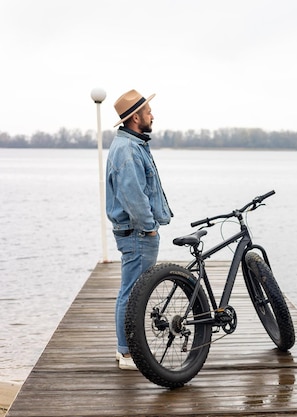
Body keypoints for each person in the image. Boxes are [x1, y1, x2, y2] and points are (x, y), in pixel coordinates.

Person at [106, 89, 173, 370]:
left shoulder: (133, 144)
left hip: (137, 233)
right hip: (137, 233)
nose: (152, 115)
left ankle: (127, 349)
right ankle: (127, 354)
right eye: (148, 112)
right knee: (133, 293)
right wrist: (149, 229)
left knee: (132, 292)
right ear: (135, 117)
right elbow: (134, 197)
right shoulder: (128, 150)